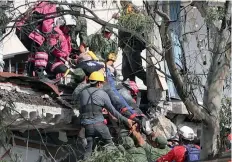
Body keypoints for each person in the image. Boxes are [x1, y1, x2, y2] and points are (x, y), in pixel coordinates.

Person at [79, 71, 134, 159]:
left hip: (87, 127)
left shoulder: (82, 93)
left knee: (88, 150)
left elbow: (81, 110)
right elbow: (113, 111)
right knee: (111, 146)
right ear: (98, 83)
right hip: (100, 126)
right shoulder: (102, 93)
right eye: (101, 83)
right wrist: (126, 120)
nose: (102, 85)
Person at [112, 0, 147, 86]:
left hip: (132, 43)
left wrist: (119, 17)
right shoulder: (126, 9)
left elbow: (131, 22)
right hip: (126, 45)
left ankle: (149, 83)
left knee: (137, 69)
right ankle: (130, 90)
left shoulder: (130, 7)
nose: (120, 2)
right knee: (126, 72)